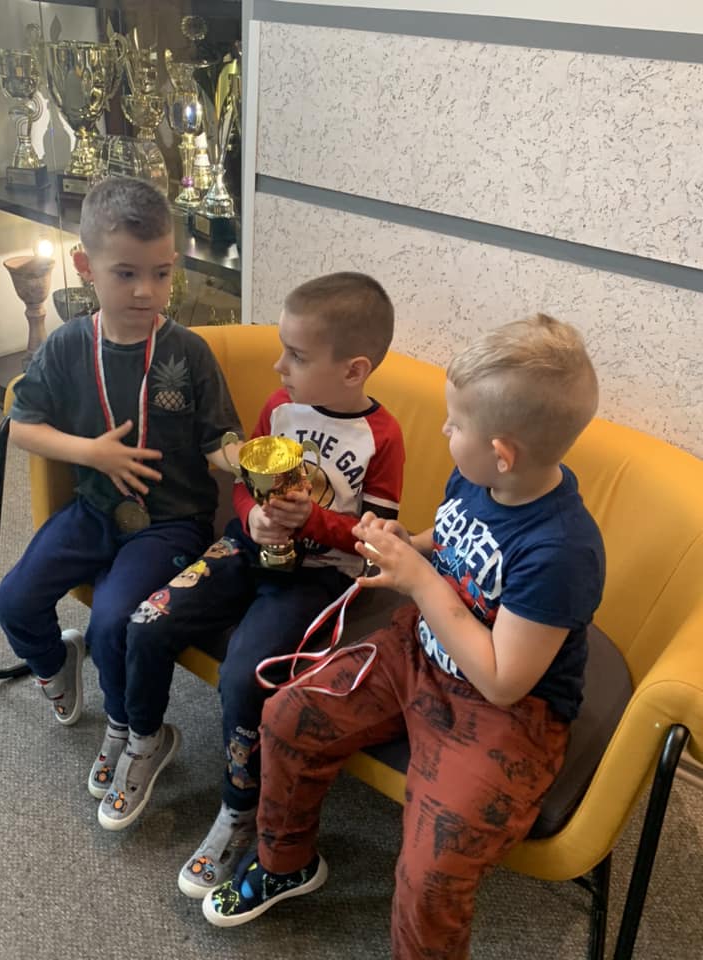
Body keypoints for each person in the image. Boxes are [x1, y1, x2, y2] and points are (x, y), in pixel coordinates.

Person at [202, 313, 606, 960]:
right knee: (288, 715)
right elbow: (448, 538)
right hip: (418, 649)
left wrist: (418, 580)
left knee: (434, 866)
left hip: (506, 713)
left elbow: (503, 680)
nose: (443, 430)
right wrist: (404, 543)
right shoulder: (479, 477)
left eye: (454, 424)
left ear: (503, 452)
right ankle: (286, 863)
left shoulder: (563, 550)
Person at [108, 272, 406, 889]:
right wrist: (253, 517)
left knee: (246, 675)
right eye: (281, 349)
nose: (279, 366)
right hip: (243, 547)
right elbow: (245, 485)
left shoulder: (383, 437)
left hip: (317, 578)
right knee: (147, 621)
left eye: (296, 355)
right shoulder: (278, 407)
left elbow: (374, 539)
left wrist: (309, 521)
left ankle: (240, 808)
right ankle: (145, 738)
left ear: (353, 370)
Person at [0, 176, 241, 807]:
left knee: (113, 622)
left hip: (171, 522)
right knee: (13, 600)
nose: (145, 292)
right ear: (85, 266)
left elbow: (219, 442)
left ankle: (138, 732)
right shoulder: (67, 345)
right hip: (96, 509)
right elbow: (21, 426)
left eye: (160, 274)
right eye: (125, 273)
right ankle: (56, 665)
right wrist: (92, 454)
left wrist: (250, 463)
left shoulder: (190, 351)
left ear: (174, 264)